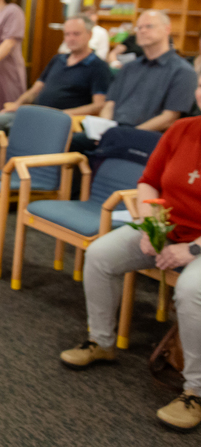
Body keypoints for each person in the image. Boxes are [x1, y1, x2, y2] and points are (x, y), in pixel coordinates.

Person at [59, 68, 201, 432]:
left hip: (198, 245)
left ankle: (195, 391)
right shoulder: (182, 130)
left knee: (191, 290)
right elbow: (148, 183)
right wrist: (152, 226)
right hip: (167, 228)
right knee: (100, 255)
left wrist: (192, 250)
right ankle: (101, 342)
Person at [70, 10, 197, 153]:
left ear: (167, 29)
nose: (142, 31)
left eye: (149, 26)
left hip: (146, 138)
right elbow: (110, 104)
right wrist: (104, 129)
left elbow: (169, 118)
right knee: (68, 142)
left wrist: (126, 135)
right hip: (113, 131)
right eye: (139, 27)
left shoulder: (182, 71)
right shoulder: (129, 67)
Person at [0, 15, 112, 134]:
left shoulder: (98, 66)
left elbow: (99, 105)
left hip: (62, 121)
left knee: (10, 129)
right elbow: (35, 89)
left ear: (89, 35)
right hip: (36, 113)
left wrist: (62, 115)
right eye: (67, 34)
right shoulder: (58, 59)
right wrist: (17, 104)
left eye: (76, 34)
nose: (71, 38)